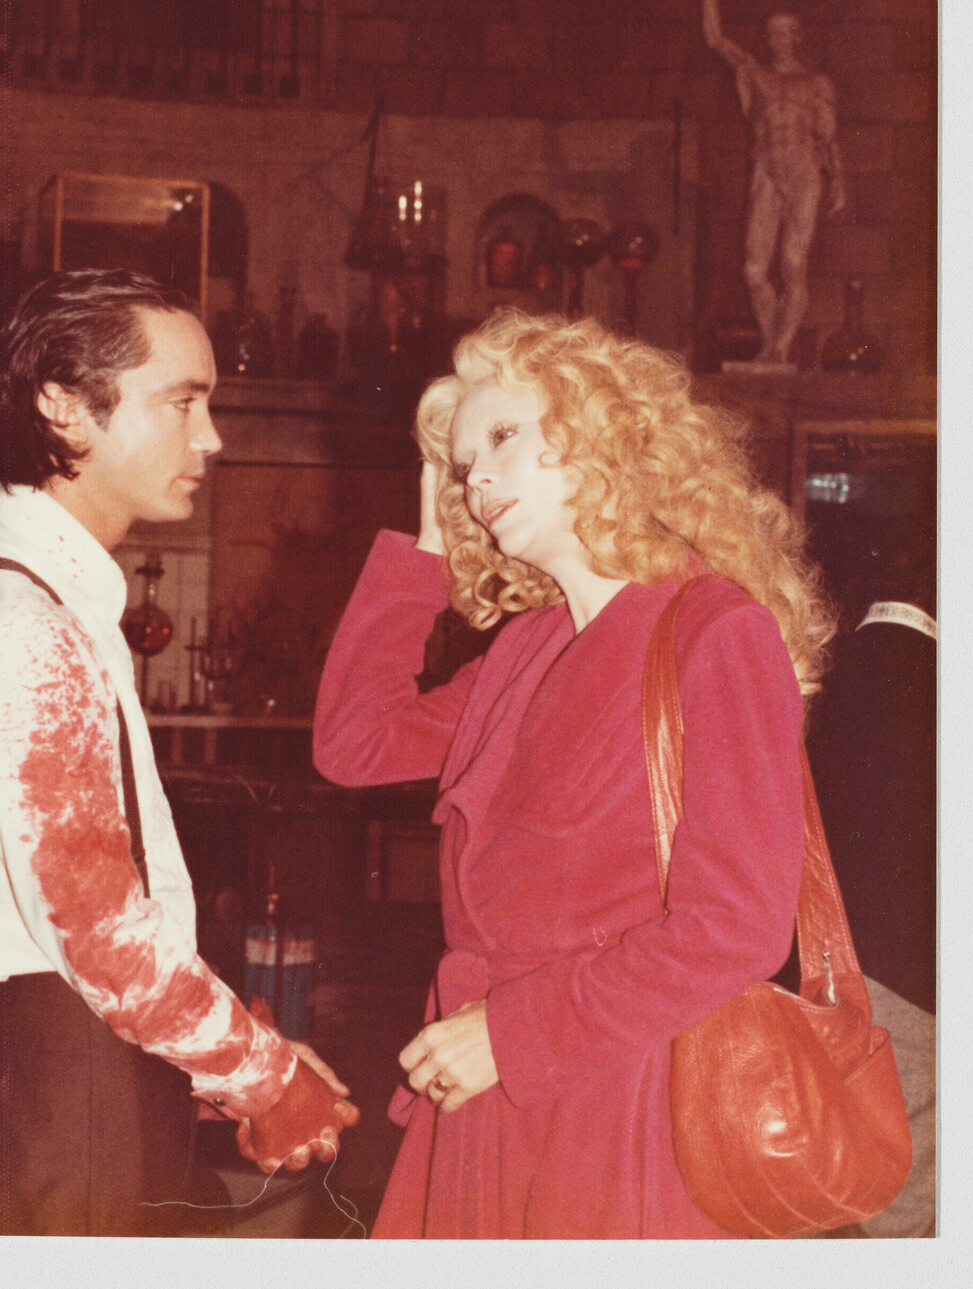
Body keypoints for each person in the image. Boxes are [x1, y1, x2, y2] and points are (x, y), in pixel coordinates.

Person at [314, 307, 834, 1238]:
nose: (476, 481)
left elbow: (739, 927)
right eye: (462, 466)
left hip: (617, 1093)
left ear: (598, 428)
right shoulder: (528, 646)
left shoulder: (715, 631)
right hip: (485, 1083)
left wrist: (511, 1039)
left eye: (504, 436)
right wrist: (425, 544)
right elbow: (356, 743)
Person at [0, 269, 357, 1235]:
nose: (212, 438)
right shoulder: (26, 627)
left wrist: (215, 1057)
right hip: (71, 1080)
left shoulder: (1, 595)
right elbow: (100, 931)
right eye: (181, 403)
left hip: (62, 1061)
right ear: (64, 406)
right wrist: (263, 1076)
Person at [804, 549, 936, 1236]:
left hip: (813, 962)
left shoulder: (826, 670)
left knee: (829, 1158)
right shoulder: (939, 683)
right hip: (905, 978)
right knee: (912, 1193)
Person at [698, 0, 847, 364]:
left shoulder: (816, 83)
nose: (779, 39)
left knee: (794, 262)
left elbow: (828, 138)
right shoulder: (756, 74)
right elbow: (716, 41)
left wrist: (840, 181)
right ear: (768, 39)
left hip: (804, 170)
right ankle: (770, 343)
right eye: (773, 33)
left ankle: (779, 348)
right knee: (753, 270)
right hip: (766, 169)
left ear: (798, 37)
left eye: (786, 32)